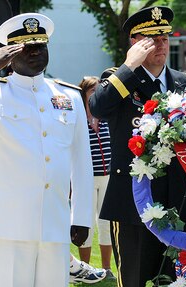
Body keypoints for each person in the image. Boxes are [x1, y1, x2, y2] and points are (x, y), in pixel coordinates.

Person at [0, 13, 94, 287]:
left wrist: (81, 216)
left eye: (41, 46)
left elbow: (81, 162)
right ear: (10, 54)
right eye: (26, 47)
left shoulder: (69, 96)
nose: (35, 52)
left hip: (55, 222)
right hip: (9, 224)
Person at [90, 6, 186, 287]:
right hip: (133, 205)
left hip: (179, 201)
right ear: (136, 43)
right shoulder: (120, 78)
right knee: (135, 280)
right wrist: (129, 65)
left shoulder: (184, 83)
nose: (161, 45)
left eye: (165, 38)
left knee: (180, 280)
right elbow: (98, 107)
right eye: (152, 40)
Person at [77, 76, 115, 280]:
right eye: (93, 91)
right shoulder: (78, 120)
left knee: (106, 223)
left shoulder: (108, 118)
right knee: (86, 223)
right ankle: (86, 268)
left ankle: (107, 269)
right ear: (84, 95)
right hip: (86, 179)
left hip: (108, 177)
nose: (97, 94)